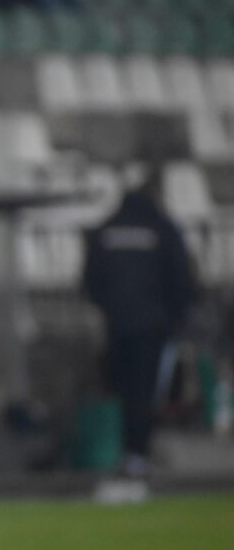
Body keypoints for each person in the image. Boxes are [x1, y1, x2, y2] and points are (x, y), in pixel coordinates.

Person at [83, 170, 195, 477]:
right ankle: (139, 452)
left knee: (122, 389)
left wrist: (109, 310)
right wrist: (175, 319)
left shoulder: (106, 229)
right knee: (146, 390)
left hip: (117, 326)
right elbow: (182, 279)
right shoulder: (163, 229)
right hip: (153, 327)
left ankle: (128, 451)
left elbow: (91, 280)